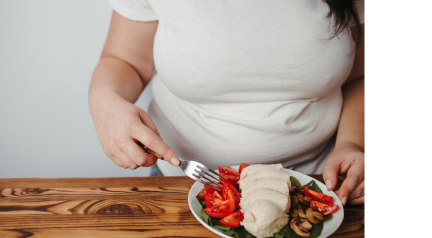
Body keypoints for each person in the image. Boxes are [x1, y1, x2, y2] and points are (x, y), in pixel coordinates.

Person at [89, 0, 364, 205]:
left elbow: (361, 77)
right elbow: (124, 61)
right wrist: (105, 104)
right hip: (182, 182)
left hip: (319, 183)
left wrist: (353, 144)